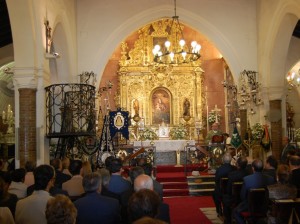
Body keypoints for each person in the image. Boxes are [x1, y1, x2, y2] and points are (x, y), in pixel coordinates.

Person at [233, 159, 275, 224]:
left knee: (235, 212)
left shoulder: (247, 179)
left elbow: (243, 196)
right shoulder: (270, 179)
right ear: (263, 167)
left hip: (250, 206)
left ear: (253, 168)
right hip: (265, 206)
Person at [222, 156, 248, 224]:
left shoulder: (232, 175)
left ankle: (228, 220)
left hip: (235, 198)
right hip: (247, 198)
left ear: (237, 165)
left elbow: (229, 190)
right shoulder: (249, 174)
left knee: (225, 199)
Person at [212, 153, 236, 217]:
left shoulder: (219, 169)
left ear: (223, 160)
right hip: (233, 191)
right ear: (231, 160)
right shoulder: (235, 168)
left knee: (214, 193)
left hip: (221, 192)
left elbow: (216, 180)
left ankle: (219, 209)